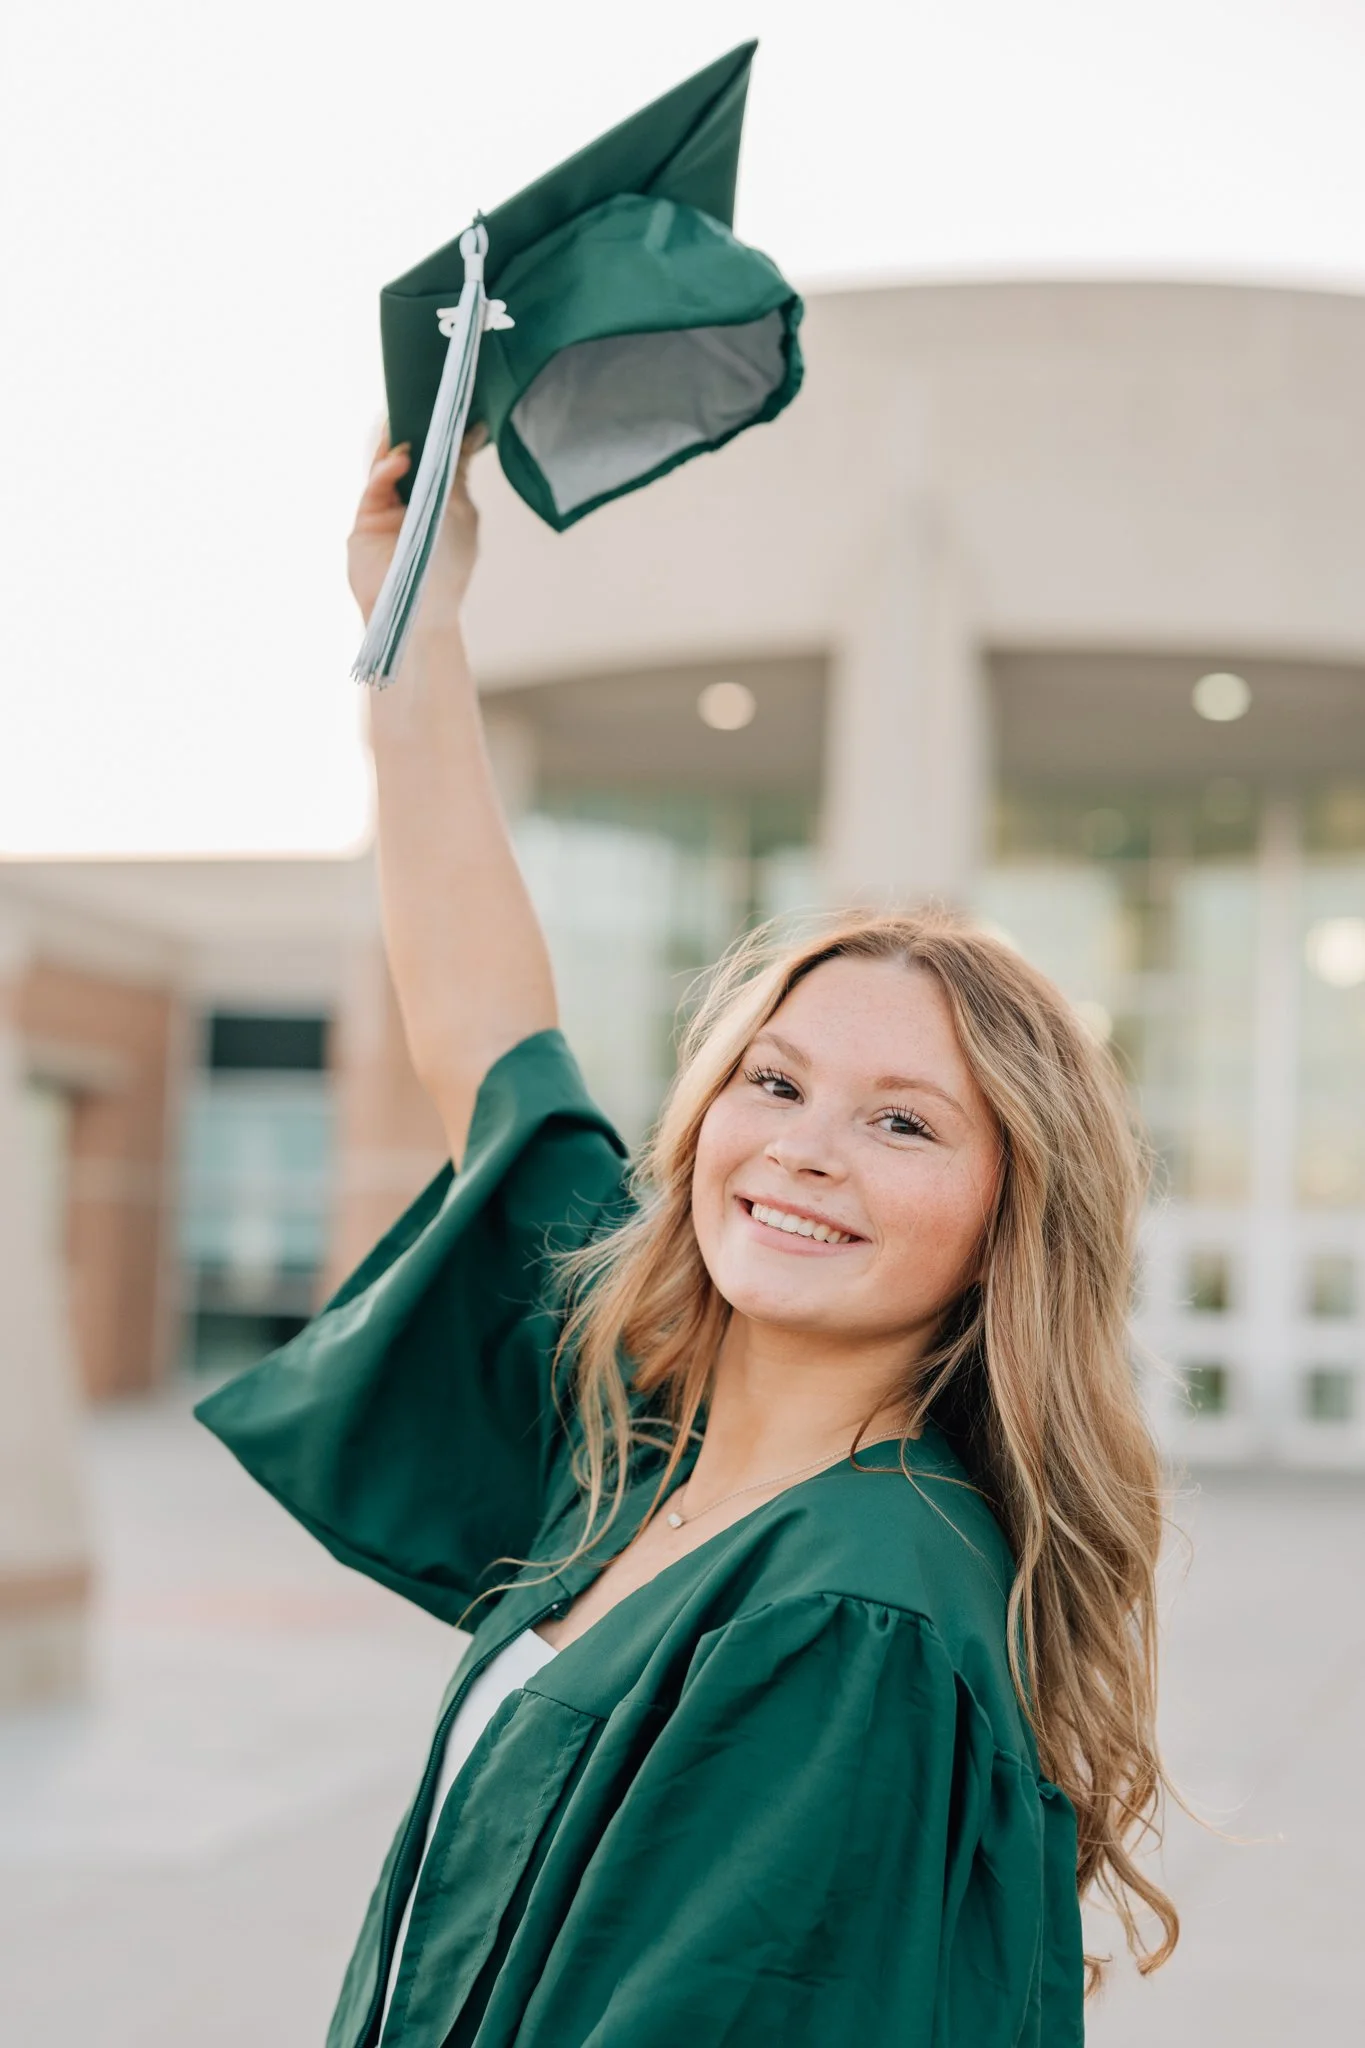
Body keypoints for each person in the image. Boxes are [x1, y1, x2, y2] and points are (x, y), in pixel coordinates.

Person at [195, 427, 1180, 2047]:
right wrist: (415, 625)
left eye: (904, 1120)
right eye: (775, 1081)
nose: (803, 1150)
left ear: (1013, 1228)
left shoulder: (853, 1612)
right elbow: (489, 1043)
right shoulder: (655, 1435)